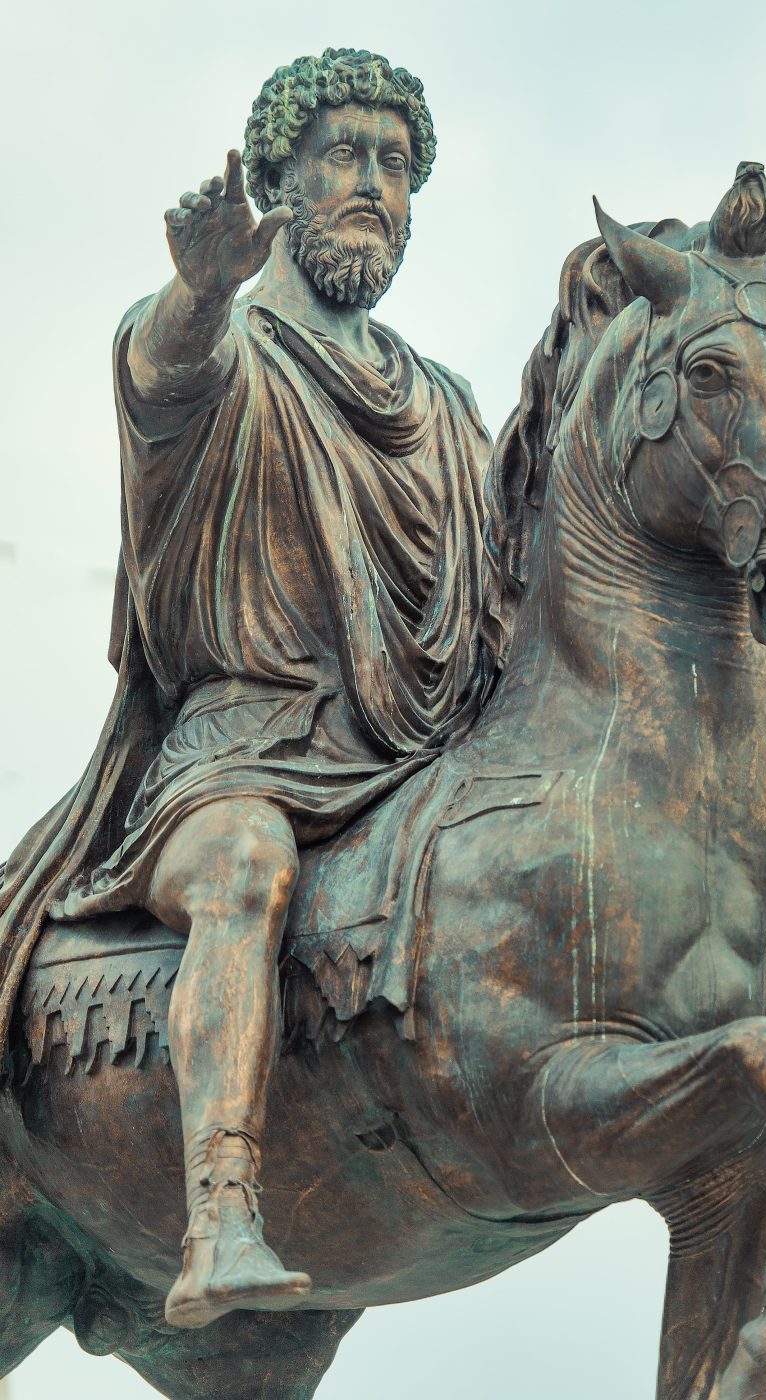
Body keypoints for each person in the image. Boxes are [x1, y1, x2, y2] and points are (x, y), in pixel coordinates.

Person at [0, 46, 491, 1329]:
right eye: (345, 155)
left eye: (396, 165)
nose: (375, 187)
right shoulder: (222, 341)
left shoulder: (442, 404)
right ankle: (220, 1206)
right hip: (233, 751)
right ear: (278, 175)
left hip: (406, 761)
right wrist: (195, 291)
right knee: (245, 873)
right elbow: (164, 378)